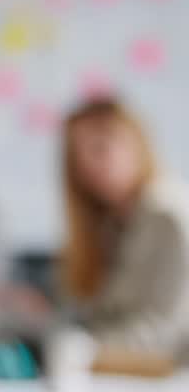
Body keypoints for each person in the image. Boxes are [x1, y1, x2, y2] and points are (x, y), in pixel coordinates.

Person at [59, 97, 189, 363]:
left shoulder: (170, 219)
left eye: (100, 148)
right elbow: (98, 312)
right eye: (78, 154)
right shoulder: (108, 225)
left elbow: (165, 332)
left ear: (136, 144)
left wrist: (85, 348)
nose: (88, 165)